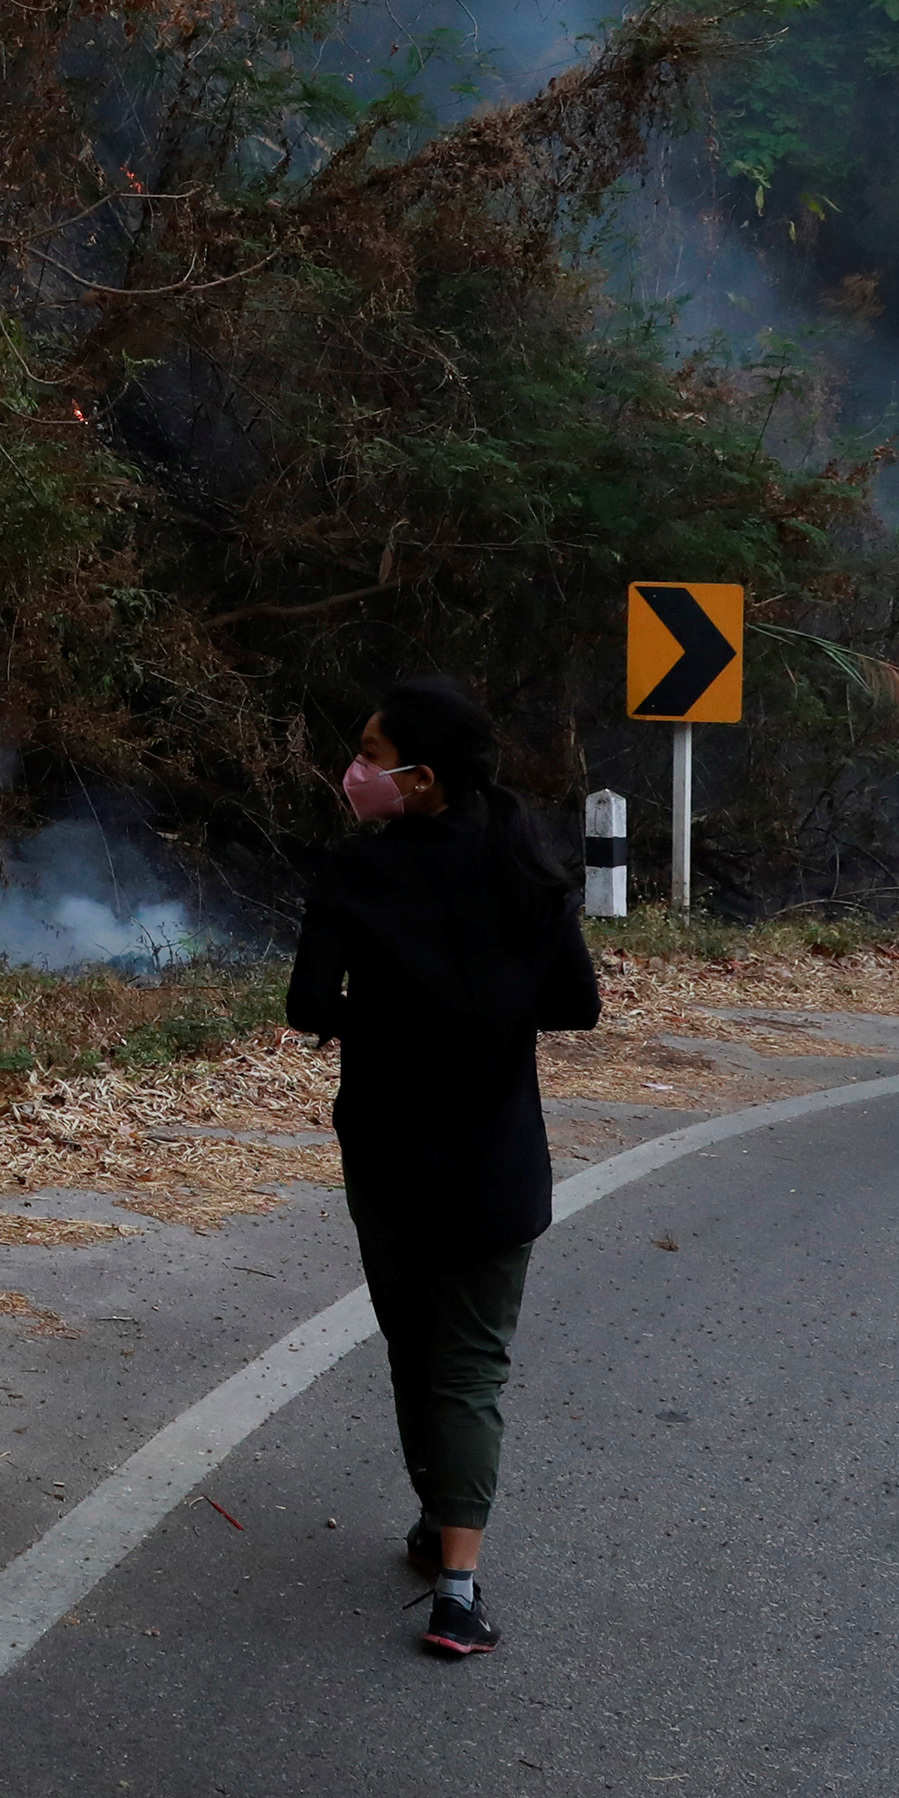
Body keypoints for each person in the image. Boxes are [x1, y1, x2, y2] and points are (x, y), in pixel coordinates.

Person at [286, 674, 604, 1658]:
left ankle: (434, 1522)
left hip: (385, 1156)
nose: (355, 770)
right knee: (470, 1366)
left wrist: (383, 1019)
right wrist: (485, 1018)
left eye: (371, 755)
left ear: (419, 780)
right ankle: (455, 1586)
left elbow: (307, 1005)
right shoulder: (526, 868)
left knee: (412, 1349)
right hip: (496, 1162)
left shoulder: (351, 871)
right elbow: (576, 1005)